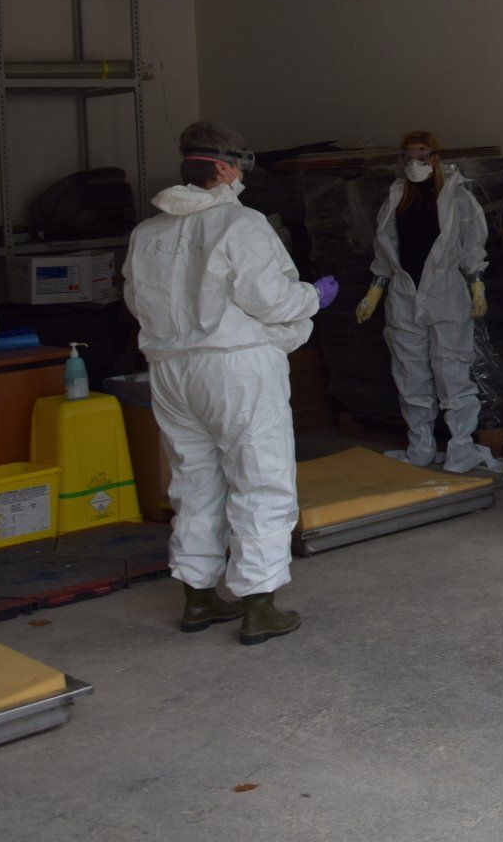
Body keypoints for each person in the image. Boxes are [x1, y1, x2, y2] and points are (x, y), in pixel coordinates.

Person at [123, 121, 335, 644]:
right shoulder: (240, 223)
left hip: (171, 371)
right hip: (234, 369)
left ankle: (198, 598)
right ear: (221, 168)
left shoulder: (147, 234)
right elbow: (271, 301)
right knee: (260, 479)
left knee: (194, 482)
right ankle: (259, 605)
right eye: (239, 164)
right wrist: (313, 297)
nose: (242, 174)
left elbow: (136, 302)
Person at [355, 132, 497, 475]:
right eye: (406, 154)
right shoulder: (396, 198)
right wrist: (373, 294)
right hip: (404, 294)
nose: (413, 161)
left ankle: (461, 446)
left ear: (435, 156)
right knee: (410, 372)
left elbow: (473, 246)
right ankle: (420, 445)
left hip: (446, 292)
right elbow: (384, 252)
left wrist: (477, 288)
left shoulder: (457, 198)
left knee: (453, 370)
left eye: (420, 153)